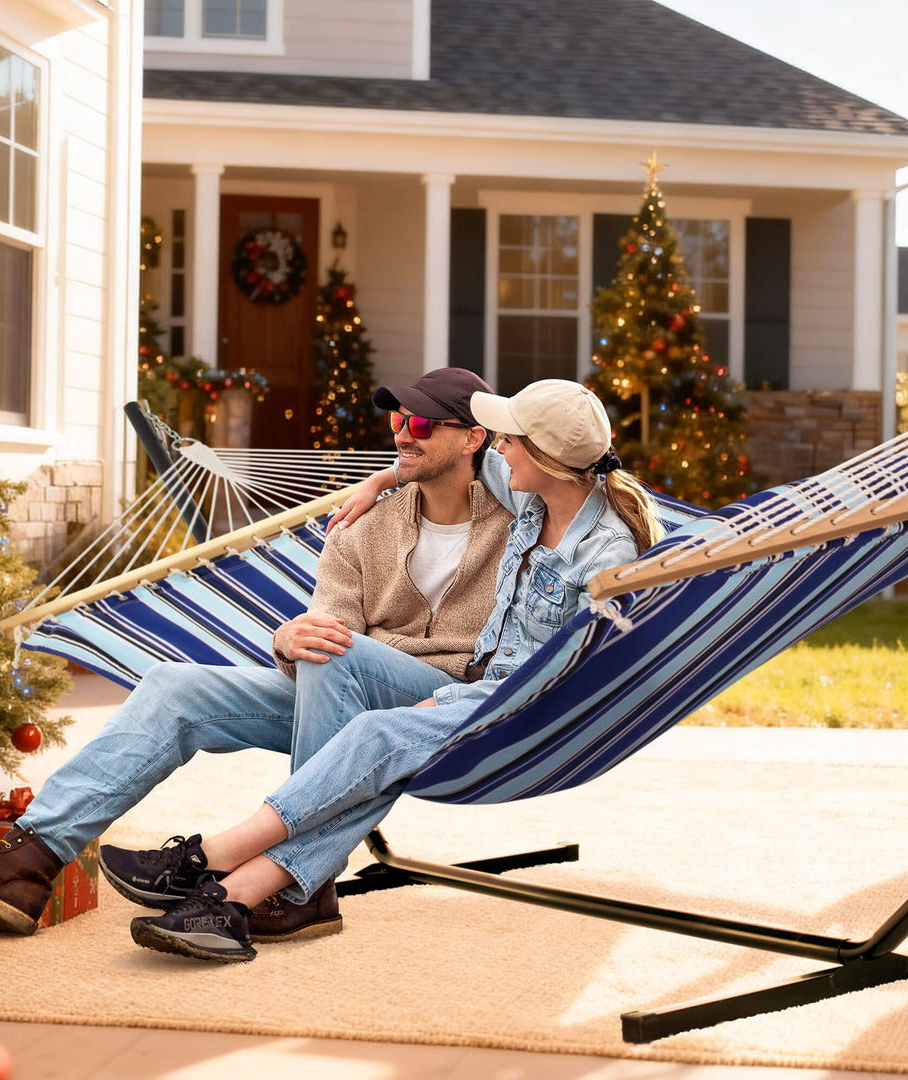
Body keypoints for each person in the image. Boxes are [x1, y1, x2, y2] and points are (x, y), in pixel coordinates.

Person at [0, 368, 514, 941]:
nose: (404, 434)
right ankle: (32, 859)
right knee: (175, 685)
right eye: (398, 422)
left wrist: (380, 481)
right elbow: (331, 626)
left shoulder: (520, 517)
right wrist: (286, 640)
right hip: (348, 686)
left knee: (336, 653)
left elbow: (567, 463)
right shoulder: (365, 525)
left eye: (424, 424)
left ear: (475, 439)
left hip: (452, 706)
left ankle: (298, 879)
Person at [122, 378, 667, 962]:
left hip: (521, 717)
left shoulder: (608, 554)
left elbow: (568, 676)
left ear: (545, 458)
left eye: (510, 440)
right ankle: (238, 900)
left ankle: (213, 860)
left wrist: (457, 704)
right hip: (481, 691)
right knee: (351, 690)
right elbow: (435, 465)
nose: (499, 449)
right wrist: (379, 482)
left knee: (375, 736)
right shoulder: (529, 499)